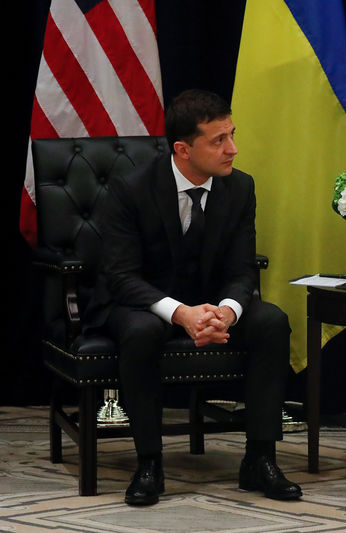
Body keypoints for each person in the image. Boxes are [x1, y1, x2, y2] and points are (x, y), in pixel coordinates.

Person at [85, 89, 301, 506]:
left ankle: (260, 458)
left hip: (209, 303)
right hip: (139, 303)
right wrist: (180, 313)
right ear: (183, 149)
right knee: (143, 332)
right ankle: (149, 462)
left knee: (271, 321)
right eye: (218, 140)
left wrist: (227, 312)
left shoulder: (239, 188)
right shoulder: (132, 190)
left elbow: (242, 269)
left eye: (232, 135)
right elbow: (121, 275)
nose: (232, 149)